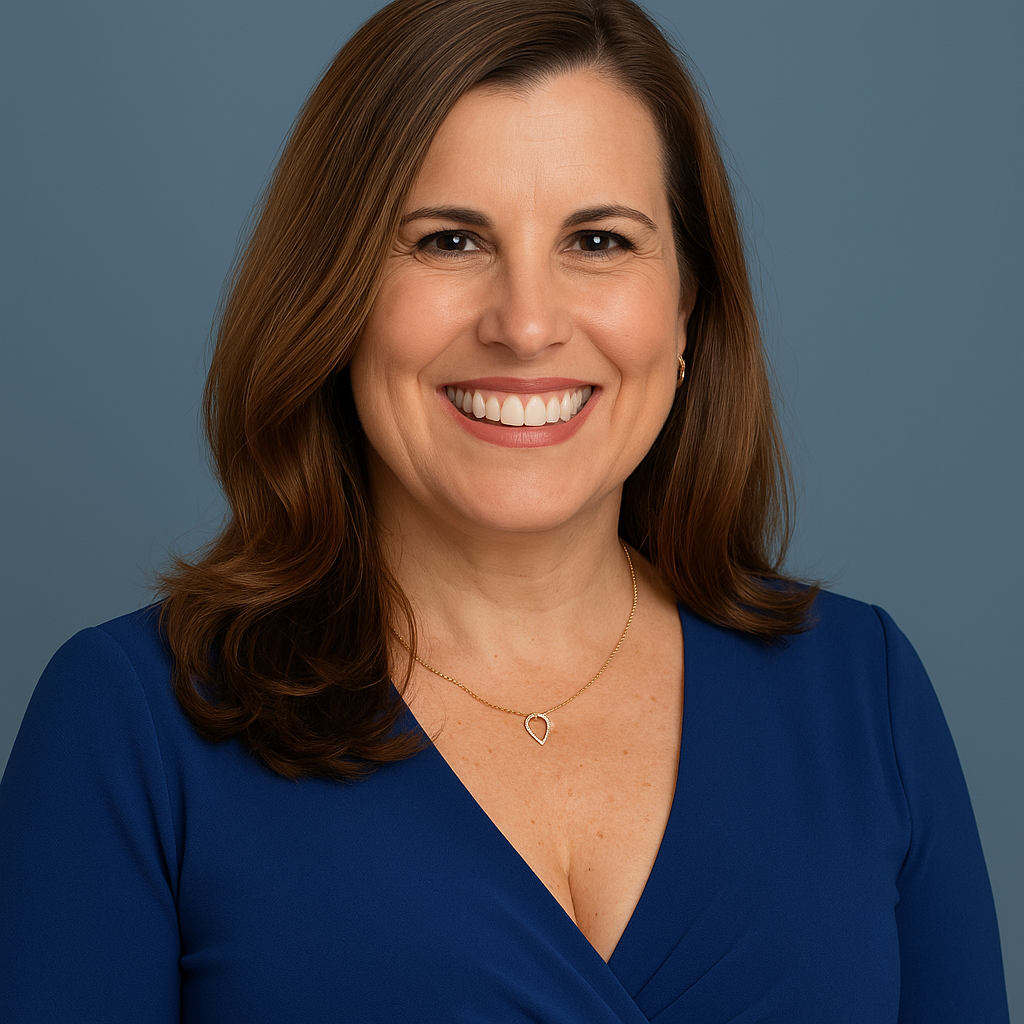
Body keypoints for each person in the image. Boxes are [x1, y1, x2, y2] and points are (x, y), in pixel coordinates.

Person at [0, 0, 1010, 1019]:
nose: (525, 324)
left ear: (688, 307)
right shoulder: (131, 726)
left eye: (599, 240)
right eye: (447, 240)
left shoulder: (863, 696)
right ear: (335, 294)